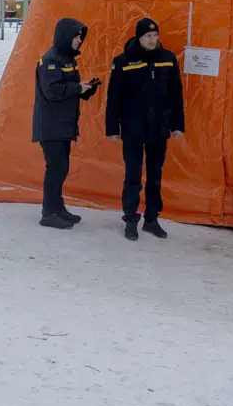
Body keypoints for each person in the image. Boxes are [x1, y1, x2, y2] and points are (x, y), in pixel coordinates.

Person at [105, 18, 185, 241]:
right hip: (133, 128)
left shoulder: (168, 59)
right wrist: (112, 128)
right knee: (133, 176)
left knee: (155, 176)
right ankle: (131, 220)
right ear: (139, 37)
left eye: (155, 35)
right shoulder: (123, 61)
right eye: (148, 36)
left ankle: (151, 219)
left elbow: (176, 95)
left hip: (159, 128)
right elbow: (114, 98)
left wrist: (177, 125)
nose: (152, 39)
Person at [33, 17, 101, 230]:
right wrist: (78, 88)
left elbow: (68, 88)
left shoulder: (69, 60)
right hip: (51, 125)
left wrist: (86, 88)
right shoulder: (51, 60)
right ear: (65, 36)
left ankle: (58, 208)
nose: (80, 40)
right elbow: (52, 91)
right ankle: (48, 213)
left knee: (62, 168)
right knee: (56, 168)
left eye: (81, 36)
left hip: (64, 124)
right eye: (76, 36)